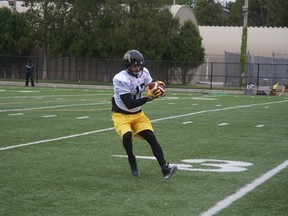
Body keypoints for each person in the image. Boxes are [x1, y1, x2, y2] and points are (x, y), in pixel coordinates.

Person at [111, 50, 177, 179]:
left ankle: (165, 168)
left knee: (151, 137)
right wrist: (148, 98)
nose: (137, 68)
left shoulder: (144, 72)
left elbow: (151, 85)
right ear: (127, 66)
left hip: (138, 114)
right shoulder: (120, 78)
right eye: (134, 66)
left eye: (139, 65)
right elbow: (129, 103)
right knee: (127, 136)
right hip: (121, 114)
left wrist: (158, 87)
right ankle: (131, 159)